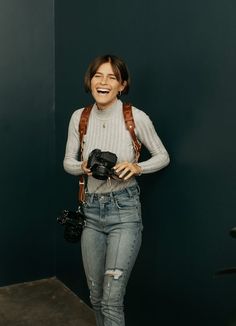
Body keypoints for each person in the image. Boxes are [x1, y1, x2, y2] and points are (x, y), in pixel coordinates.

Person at [63, 54, 170, 326]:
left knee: (111, 300)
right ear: (90, 81)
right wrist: (83, 167)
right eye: (98, 75)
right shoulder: (80, 117)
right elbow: (68, 162)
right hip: (91, 213)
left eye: (112, 77)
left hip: (124, 212)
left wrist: (137, 168)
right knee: (96, 296)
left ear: (122, 85)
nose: (104, 82)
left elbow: (162, 156)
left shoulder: (135, 117)